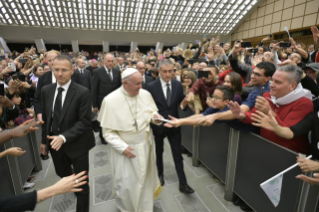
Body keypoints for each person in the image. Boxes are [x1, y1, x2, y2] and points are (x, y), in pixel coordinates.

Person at [97, 68, 163, 211]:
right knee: (126, 184)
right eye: (137, 84)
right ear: (125, 83)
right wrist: (122, 147)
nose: (141, 87)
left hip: (146, 146)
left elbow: (151, 112)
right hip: (126, 150)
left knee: (146, 180)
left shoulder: (145, 94)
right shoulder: (110, 100)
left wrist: (155, 118)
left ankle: (146, 207)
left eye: (141, 83)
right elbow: (108, 132)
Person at [40, 55, 95, 212]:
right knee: (63, 174)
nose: (59, 74)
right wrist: (44, 141)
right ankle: (71, 176)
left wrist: (63, 137)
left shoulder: (82, 92)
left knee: (82, 185)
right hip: (55, 144)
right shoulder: (46, 91)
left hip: (77, 144)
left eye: (64, 70)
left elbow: (84, 122)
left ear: (72, 70)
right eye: (56, 69)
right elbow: (46, 117)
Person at [232, 65, 313, 154]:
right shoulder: (267, 95)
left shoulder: (304, 103)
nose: (271, 85)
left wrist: (269, 111)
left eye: (277, 82)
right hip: (266, 148)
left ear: (292, 85)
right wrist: (243, 116)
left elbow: (287, 132)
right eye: (272, 80)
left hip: (289, 155)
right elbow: (254, 115)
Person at [146, 59, 194, 194]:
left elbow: (181, 105)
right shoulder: (151, 87)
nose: (168, 74)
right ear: (159, 71)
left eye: (170, 71)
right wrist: (152, 124)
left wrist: (185, 103)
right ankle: (160, 175)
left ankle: (183, 183)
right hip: (158, 126)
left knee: (177, 154)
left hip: (174, 124)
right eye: (165, 71)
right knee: (159, 153)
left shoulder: (178, 85)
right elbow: (148, 108)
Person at [201, 62, 276, 126]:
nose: (252, 76)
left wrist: (214, 115)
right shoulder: (256, 89)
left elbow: (241, 111)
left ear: (267, 78)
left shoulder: (259, 92)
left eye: (257, 75)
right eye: (253, 73)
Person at [33, 50, 83, 122]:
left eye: (54, 59)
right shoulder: (43, 78)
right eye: (49, 60)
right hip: (49, 119)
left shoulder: (75, 76)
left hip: (71, 118)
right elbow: (38, 98)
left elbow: (82, 96)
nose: (52, 62)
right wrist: (39, 113)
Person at [165, 85, 234, 127]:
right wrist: (179, 120)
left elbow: (203, 120)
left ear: (226, 102)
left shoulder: (229, 109)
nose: (212, 99)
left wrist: (180, 122)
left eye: (216, 97)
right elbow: (200, 116)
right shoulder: (215, 107)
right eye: (213, 96)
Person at [91, 53, 121, 144]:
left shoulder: (117, 72)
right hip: (102, 102)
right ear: (104, 61)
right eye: (108, 61)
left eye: (112, 61)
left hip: (115, 102)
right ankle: (103, 137)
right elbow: (94, 89)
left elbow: (119, 87)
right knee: (103, 121)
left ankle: (113, 135)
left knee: (114, 119)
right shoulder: (97, 72)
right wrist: (95, 104)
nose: (110, 63)